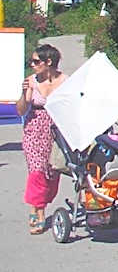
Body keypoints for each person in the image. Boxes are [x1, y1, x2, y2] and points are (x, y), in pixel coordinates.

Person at [15, 44, 67, 234]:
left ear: (49, 62)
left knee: (52, 171)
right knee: (37, 171)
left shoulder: (65, 81)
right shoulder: (31, 81)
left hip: (58, 130)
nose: (32, 64)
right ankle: (38, 211)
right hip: (35, 129)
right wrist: (23, 93)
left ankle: (41, 202)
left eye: (36, 61)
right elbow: (20, 110)